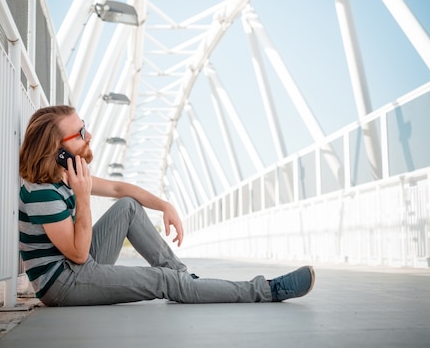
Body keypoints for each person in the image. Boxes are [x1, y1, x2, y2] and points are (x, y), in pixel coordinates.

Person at [18, 105, 315, 306]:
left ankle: (184, 279)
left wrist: (165, 205)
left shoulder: (64, 175)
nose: (90, 136)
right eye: (81, 133)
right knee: (163, 281)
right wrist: (83, 198)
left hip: (76, 266)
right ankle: (267, 290)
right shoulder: (43, 192)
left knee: (128, 206)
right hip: (62, 284)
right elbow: (80, 254)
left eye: (87, 128)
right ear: (58, 150)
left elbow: (120, 189)